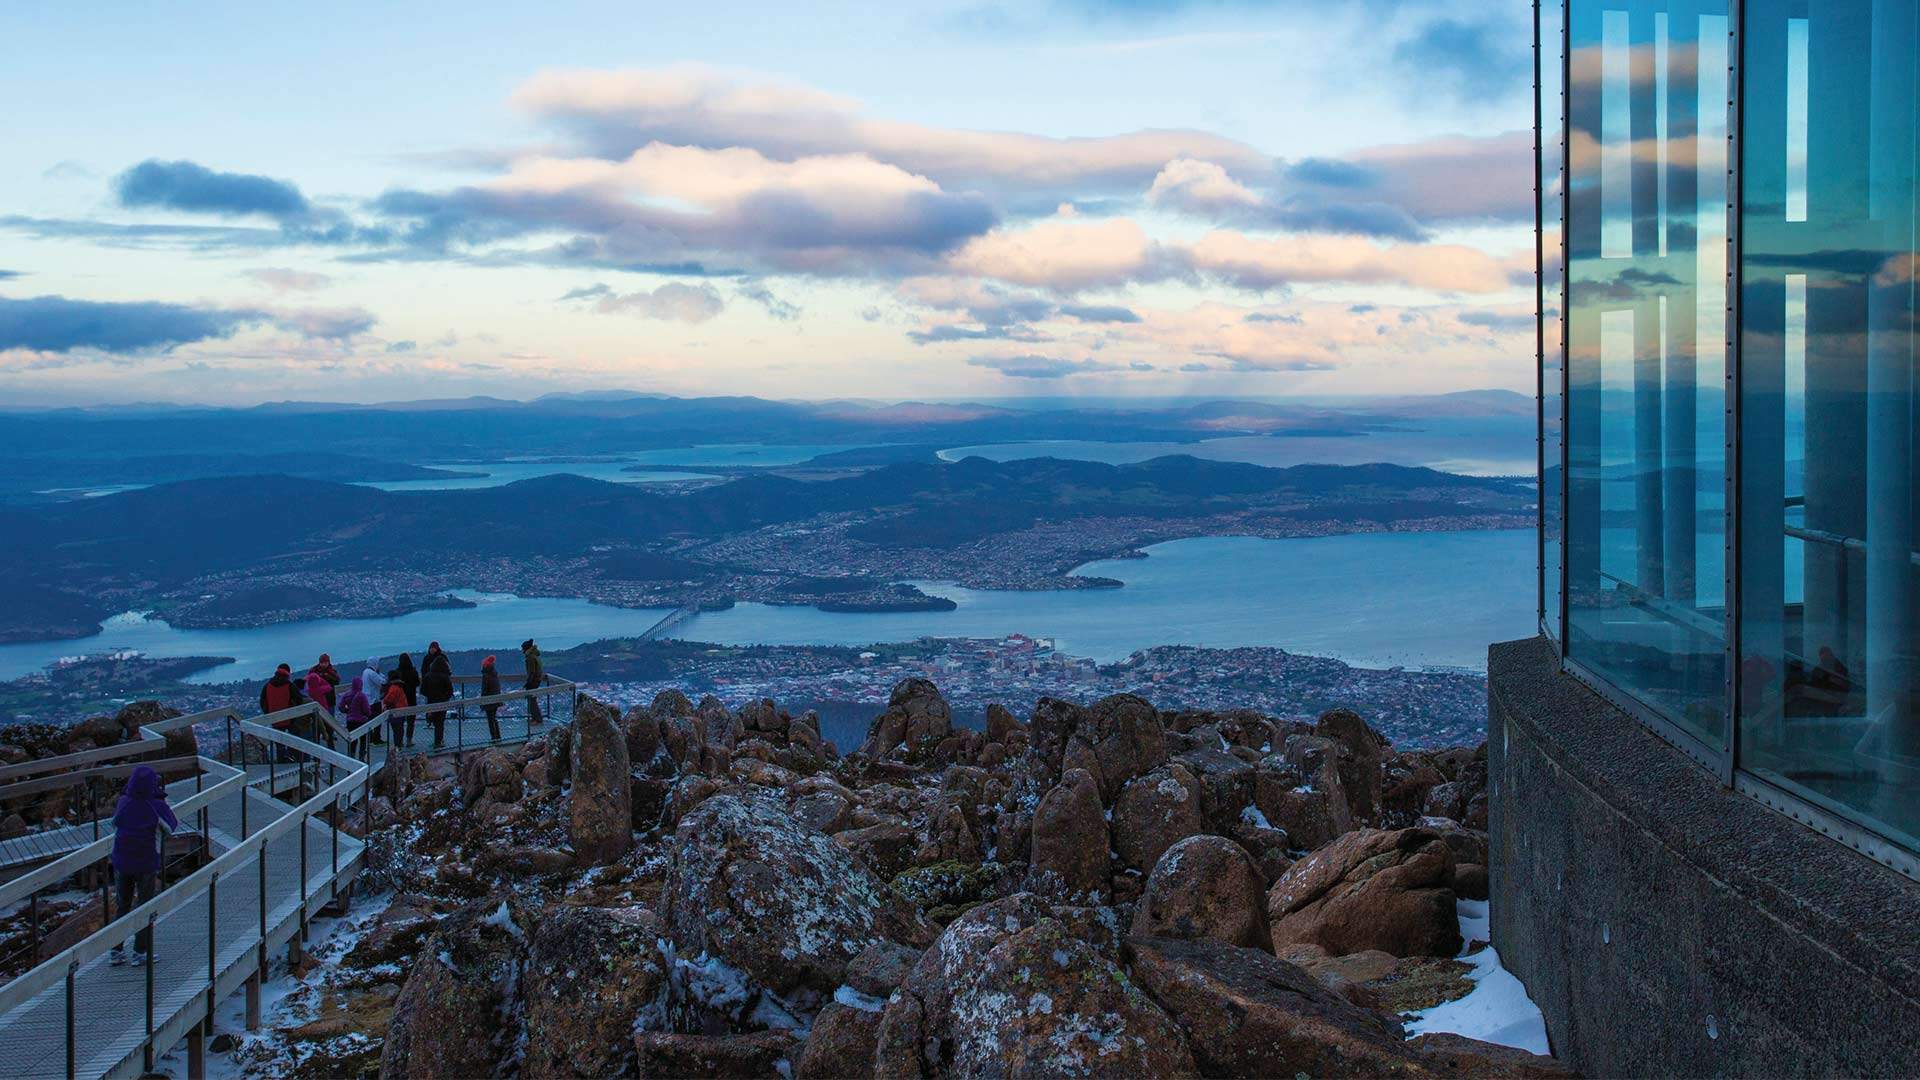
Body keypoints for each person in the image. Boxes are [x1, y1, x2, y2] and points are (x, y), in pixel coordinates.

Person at [108, 765, 178, 967]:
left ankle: (116, 950)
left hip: (121, 861)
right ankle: (140, 951)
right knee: (145, 906)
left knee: (123, 905)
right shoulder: (156, 806)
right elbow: (171, 826)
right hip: (146, 862)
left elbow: (115, 823)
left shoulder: (124, 802)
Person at [420, 641, 454, 749]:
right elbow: (450, 690)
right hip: (442, 700)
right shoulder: (445, 676)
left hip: (432, 699)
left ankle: (437, 740)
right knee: (440, 721)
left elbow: (423, 689)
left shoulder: (428, 676)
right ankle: (439, 740)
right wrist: (446, 697)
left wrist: (429, 694)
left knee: (436, 719)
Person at [389, 654, 420, 745]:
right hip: (411, 698)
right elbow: (417, 682)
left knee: (400, 721)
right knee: (411, 720)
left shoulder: (398, 672)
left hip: (400, 699)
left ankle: (400, 741)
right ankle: (409, 739)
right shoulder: (413, 671)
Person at [382, 676, 412, 747]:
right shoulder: (400, 687)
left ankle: (397, 746)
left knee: (396, 730)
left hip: (395, 711)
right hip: (402, 710)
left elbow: (388, 699)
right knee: (400, 729)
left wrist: (385, 702)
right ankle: (399, 744)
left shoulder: (393, 688)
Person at [522, 639, 545, 726]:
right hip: (537, 680)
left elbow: (531, 672)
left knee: (532, 701)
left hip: (533, 682)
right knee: (532, 700)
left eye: (523, 648)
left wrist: (528, 683)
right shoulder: (535, 656)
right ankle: (535, 718)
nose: (522, 650)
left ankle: (537, 719)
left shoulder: (530, 658)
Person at [480, 654, 502, 741]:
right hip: (496, 699)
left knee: (490, 719)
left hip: (489, 700)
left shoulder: (486, 676)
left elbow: (484, 690)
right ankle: (497, 736)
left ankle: (494, 737)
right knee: (494, 718)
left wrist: (482, 702)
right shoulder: (494, 674)